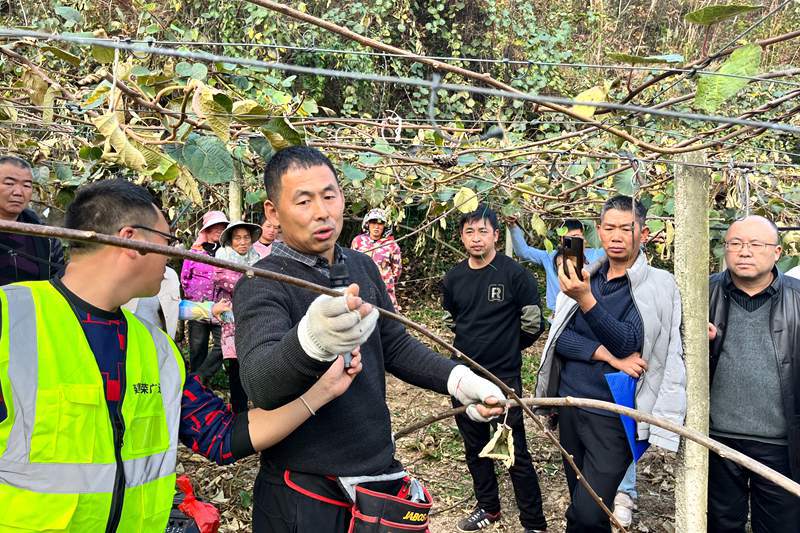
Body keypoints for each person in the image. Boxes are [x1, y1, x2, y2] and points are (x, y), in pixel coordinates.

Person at [0, 178, 363, 532]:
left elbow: (221, 435)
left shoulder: (154, 348)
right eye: (168, 242)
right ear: (131, 240)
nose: (174, 254)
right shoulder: (8, 319)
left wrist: (323, 391)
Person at [234, 146, 506, 533]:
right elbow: (261, 383)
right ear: (273, 212)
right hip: (304, 489)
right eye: (304, 200)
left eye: (329, 196)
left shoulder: (360, 265)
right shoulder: (262, 283)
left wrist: (459, 380)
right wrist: (311, 341)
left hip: (376, 472)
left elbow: (393, 343)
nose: (322, 212)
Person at [535, 195, 686, 533]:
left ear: (643, 233)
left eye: (626, 229)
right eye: (609, 228)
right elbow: (561, 339)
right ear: (599, 232)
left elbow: (629, 340)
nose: (617, 236)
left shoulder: (656, 285)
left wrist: (586, 300)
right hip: (571, 403)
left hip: (616, 415)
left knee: (587, 513)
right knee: (581, 503)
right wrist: (608, 356)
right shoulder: (585, 277)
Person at [441, 205, 547, 533]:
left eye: (482, 231)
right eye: (469, 231)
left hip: (504, 377)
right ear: (461, 236)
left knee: (513, 451)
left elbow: (533, 322)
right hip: (464, 378)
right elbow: (450, 321)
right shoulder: (454, 277)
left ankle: (533, 522)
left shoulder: (515, 275)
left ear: (496, 236)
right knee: (475, 448)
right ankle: (488, 507)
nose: (476, 238)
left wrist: (508, 348)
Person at [706, 216, 800, 533]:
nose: (744, 252)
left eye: (756, 245)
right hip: (716, 440)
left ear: (776, 252)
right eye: (736, 244)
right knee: (720, 524)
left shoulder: (797, 299)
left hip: (781, 444)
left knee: (780, 526)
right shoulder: (703, 295)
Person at [506, 217, 605, 313]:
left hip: (588, 311)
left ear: (584, 238)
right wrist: (513, 227)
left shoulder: (598, 254)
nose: (573, 241)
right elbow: (523, 252)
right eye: (568, 238)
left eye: (576, 236)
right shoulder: (550, 257)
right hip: (558, 315)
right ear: (562, 240)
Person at [214, 220, 262, 413]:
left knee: (254, 360)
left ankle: (258, 408)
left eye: (246, 238)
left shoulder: (256, 258)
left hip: (253, 319)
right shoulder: (221, 259)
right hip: (232, 323)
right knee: (235, 367)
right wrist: (251, 280)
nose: (243, 242)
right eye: (237, 238)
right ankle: (239, 411)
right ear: (230, 241)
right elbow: (233, 283)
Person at [0, 155, 64, 285]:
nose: (18, 192)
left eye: (26, 185)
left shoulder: (47, 239)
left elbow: (57, 283)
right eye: (9, 183)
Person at [180, 210, 228, 379]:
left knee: (223, 345)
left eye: (222, 227)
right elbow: (184, 277)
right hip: (197, 307)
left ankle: (198, 379)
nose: (219, 230)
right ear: (206, 230)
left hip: (221, 307)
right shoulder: (194, 252)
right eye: (215, 226)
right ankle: (198, 392)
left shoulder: (228, 253)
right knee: (197, 348)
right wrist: (193, 296)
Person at [350, 208, 403, 310]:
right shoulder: (358, 241)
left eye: (380, 223)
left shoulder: (392, 245)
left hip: (385, 290)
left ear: (385, 226)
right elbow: (352, 263)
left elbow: (397, 271)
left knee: (390, 318)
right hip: (362, 288)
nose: (376, 226)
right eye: (373, 222)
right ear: (367, 224)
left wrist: (386, 279)